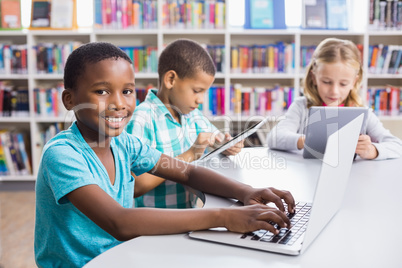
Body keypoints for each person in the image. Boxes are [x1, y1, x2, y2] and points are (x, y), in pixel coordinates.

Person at [34, 42, 295, 268]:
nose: (119, 103)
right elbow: (119, 222)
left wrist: (245, 192)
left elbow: (187, 170)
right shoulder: (62, 154)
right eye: (102, 91)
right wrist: (224, 217)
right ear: (69, 99)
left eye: (126, 91)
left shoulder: (126, 143)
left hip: (121, 255)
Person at [126, 39, 244, 208]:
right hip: (157, 225)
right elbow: (136, 185)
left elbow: (214, 138)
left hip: (190, 214)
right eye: (197, 91)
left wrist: (225, 145)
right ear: (171, 79)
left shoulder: (192, 114)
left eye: (205, 92)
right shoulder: (142, 119)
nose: (201, 100)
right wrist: (188, 156)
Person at [267, 37, 402, 160]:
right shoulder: (301, 106)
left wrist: (373, 150)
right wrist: (307, 141)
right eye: (326, 82)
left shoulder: (362, 112)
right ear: (314, 78)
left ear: (354, 82)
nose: (334, 91)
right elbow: (274, 138)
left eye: (343, 84)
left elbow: (397, 146)